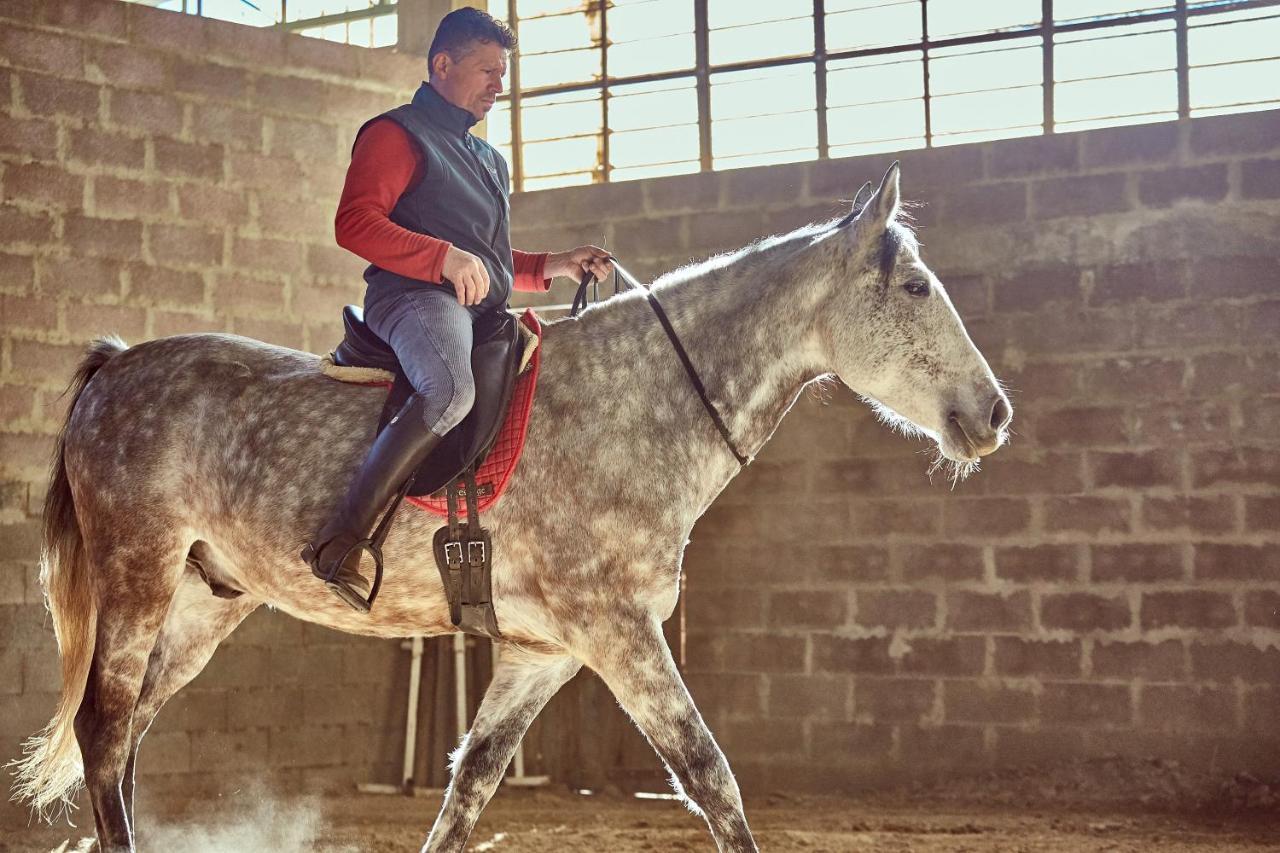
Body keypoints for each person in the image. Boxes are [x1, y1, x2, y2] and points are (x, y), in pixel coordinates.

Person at [304, 6, 613, 611]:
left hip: (476, 307)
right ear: (442, 64)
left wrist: (557, 264)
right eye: (487, 71)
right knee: (448, 391)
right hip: (412, 299)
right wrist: (441, 258)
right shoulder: (395, 134)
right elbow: (355, 223)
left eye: (504, 73)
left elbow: (491, 261)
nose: (500, 84)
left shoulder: (488, 160)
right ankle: (343, 540)